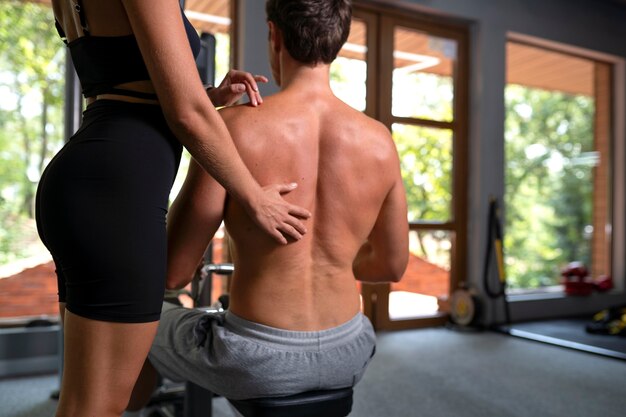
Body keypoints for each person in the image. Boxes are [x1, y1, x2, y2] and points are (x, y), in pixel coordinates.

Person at [126, 0, 409, 410]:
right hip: (350, 350)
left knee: (139, 317)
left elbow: (174, 272)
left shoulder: (235, 128)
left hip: (256, 359)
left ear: (274, 35)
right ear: (338, 42)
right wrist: (330, 258)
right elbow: (390, 266)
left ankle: (128, 404)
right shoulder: (380, 140)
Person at [35, 1, 311, 416]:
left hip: (85, 176)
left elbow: (122, 83)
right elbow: (185, 113)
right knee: (97, 405)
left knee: (91, 398)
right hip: (117, 190)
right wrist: (254, 198)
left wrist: (208, 96)